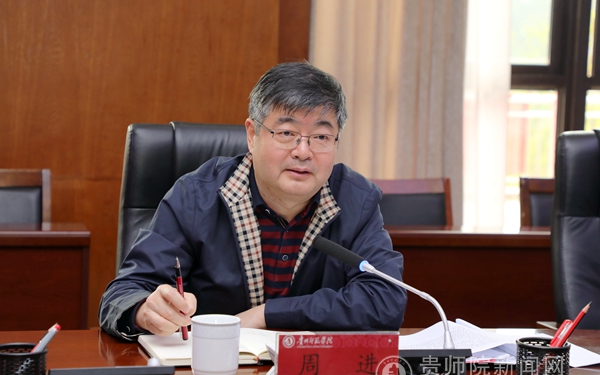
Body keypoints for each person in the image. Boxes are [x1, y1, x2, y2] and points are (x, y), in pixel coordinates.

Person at [99, 61, 407, 340]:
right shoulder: (195, 197)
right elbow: (122, 293)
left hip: (312, 373)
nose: (303, 151)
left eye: (321, 137)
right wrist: (144, 310)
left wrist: (266, 315)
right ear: (252, 135)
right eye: (286, 133)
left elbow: (386, 299)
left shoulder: (357, 201)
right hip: (210, 372)